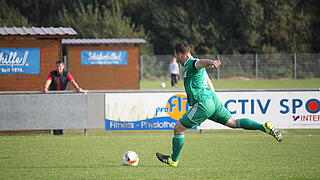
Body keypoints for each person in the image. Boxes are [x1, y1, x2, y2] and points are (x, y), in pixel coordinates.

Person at [156, 42, 283, 167]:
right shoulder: (194, 65)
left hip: (202, 104)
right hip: (213, 101)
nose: (177, 59)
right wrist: (213, 99)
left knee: (178, 128)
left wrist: (211, 62)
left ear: (179, 54)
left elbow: (200, 63)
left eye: (176, 56)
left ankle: (173, 160)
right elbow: (208, 81)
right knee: (233, 122)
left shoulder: (191, 62)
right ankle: (264, 127)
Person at [44, 60, 83, 135]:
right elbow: (48, 80)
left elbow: (72, 81)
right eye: (57, 66)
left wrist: (78, 88)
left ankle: (61, 130)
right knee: (55, 113)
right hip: (54, 97)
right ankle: (56, 131)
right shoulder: (52, 73)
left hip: (63, 97)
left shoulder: (66, 73)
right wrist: (46, 87)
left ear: (63, 67)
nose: (59, 68)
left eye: (60, 66)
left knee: (62, 113)